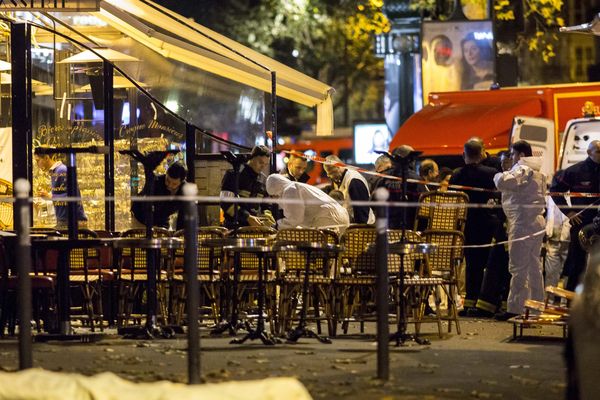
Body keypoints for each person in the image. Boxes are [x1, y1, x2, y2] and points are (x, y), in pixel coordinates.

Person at [494, 140, 546, 319]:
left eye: (512, 154)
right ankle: (536, 307)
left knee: (517, 267)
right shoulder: (538, 171)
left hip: (522, 223)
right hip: (535, 222)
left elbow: (503, 182)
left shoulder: (523, 169)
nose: (511, 157)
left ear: (521, 155)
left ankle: (515, 309)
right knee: (534, 267)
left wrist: (503, 170)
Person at [449, 140, 498, 314]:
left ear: (464, 155)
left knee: (472, 265)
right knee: (491, 266)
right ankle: (488, 303)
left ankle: (470, 302)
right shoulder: (492, 173)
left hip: (467, 226)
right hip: (489, 224)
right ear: (482, 153)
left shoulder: (456, 175)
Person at [550, 140, 600, 291]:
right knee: (577, 263)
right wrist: (568, 212)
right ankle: (571, 302)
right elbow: (555, 190)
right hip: (582, 223)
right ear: (589, 153)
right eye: (599, 151)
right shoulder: (575, 171)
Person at [265, 174, 350, 234]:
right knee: (336, 255)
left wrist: (275, 226)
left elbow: (294, 219)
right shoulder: (296, 186)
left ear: (275, 191)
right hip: (340, 216)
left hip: (327, 219)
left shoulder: (290, 191)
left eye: (273, 196)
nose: (274, 199)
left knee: (318, 255)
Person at [371, 145, 425, 229]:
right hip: (410, 232)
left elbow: (373, 204)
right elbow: (424, 209)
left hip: (386, 232)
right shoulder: (416, 180)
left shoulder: (383, 179)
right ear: (410, 160)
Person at [220, 145, 271, 229]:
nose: (263, 167)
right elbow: (225, 203)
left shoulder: (263, 180)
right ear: (251, 158)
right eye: (261, 162)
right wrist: (247, 217)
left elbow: (266, 204)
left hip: (254, 228)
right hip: (233, 227)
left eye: (266, 164)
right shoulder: (234, 174)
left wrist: (267, 216)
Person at [35, 153, 87, 228]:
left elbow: (72, 195)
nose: (37, 164)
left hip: (71, 221)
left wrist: (49, 196)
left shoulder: (61, 170)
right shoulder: (56, 171)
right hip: (66, 220)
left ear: (46, 158)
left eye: (38, 160)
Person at [131, 161, 188, 229]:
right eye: (167, 180)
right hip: (141, 215)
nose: (169, 185)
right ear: (166, 173)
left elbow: (183, 216)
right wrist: (153, 228)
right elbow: (146, 208)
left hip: (162, 218)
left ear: (181, 182)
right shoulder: (156, 183)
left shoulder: (185, 191)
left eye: (174, 184)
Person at [323, 155, 374, 224]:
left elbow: (361, 213)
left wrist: (358, 229)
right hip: (350, 225)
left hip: (362, 227)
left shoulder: (354, 181)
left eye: (330, 173)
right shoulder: (337, 178)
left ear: (338, 167)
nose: (328, 176)